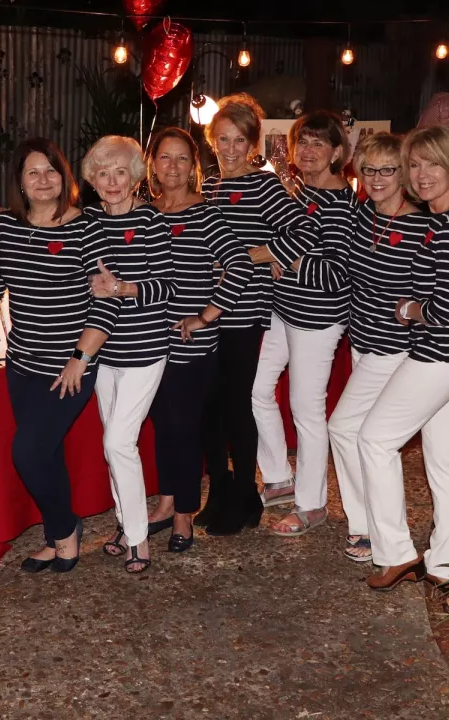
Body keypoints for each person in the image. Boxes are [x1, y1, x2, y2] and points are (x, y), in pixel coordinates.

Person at [313, 133, 449, 563]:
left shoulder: (426, 222)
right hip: (366, 340)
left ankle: (375, 534)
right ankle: (441, 560)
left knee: (354, 432)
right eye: (368, 169)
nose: (376, 178)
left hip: (402, 348)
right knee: (440, 455)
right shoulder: (363, 216)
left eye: (388, 169)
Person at [0, 138, 120, 574]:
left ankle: (66, 529)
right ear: (20, 182)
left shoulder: (87, 226)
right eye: (33, 172)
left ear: (64, 176)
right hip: (22, 367)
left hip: (69, 366)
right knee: (45, 453)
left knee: (28, 453)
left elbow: (107, 300)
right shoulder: (8, 228)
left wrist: (79, 358)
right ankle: (57, 536)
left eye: (51, 170)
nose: (43, 179)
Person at [359, 126, 449, 590]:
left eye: (432, 163)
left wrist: (408, 310)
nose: (422, 174)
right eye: (414, 165)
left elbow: (447, 308)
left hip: (442, 354)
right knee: (443, 458)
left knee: (374, 440)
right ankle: (446, 564)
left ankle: (395, 554)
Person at [199, 93, 320, 537]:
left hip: (245, 310)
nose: (230, 149)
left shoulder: (264, 185)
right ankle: (220, 493)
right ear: (212, 140)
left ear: (252, 143)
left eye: (239, 140)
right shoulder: (208, 184)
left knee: (237, 405)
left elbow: (306, 229)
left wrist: (254, 256)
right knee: (210, 408)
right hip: (207, 309)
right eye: (223, 139)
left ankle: (247, 497)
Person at [143, 128, 254, 552]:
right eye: (165, 158)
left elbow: (239, 266)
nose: (173, 167)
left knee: (184, 428)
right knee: (161, 426)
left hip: (191, 345)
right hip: (147, 344)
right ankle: (168, 499)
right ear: (153, 164)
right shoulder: (144, 213)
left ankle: (185, 513)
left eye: (182, 160)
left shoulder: (206, 214)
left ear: (193, 167)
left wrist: (207, 316)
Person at [250, 110, 353, 537]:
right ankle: (278, 479)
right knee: (255, 390)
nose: (308, 151)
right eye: (302, 142)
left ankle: (312, 504)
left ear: (336, 152)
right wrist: (282, 262)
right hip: (283, 310)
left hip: (318, 321)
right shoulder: (302, 196)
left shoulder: (345, 205)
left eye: (317, 143)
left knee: (307, 411)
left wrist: (286, 261)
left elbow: (336, 276)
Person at [82, 135, 174, 574]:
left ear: (135, 176)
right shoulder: (87, 223)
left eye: (121, 172)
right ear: (93, 180)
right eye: (104, 173)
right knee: (112, 442)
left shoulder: (153, 222)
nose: (112, 181)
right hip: (103, 353)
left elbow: (169, 288)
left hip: (145, 349)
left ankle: (139, 538)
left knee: (119, 441)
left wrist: (122, 288)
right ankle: (124, 523)